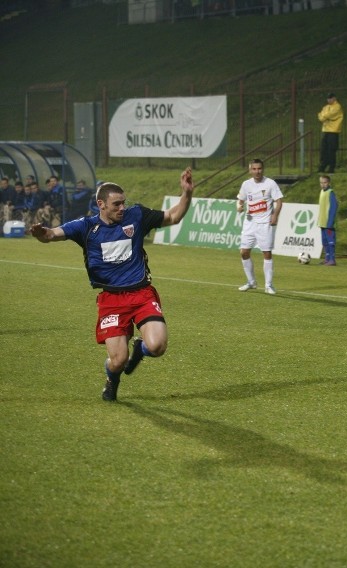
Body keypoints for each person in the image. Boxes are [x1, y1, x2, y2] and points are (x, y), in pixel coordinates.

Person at [30, 168, 195, 402]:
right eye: (116, 204)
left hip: (141, 293)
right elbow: (51, 234)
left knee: (157, 346)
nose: (122, 208)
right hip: (112, 301)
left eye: (123, 203)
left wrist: (186, 193)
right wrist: (40, 233)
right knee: (117, 360)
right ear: (101, 204)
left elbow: (173, 216)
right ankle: (112, 381)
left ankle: (142, 349)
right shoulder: (85, 227)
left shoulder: (136, 215)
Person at [236, 158, 283, 294]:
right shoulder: (246, 184)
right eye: (254, 169)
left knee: (267, 253)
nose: (257, 171)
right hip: (249, 223)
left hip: (265, 224)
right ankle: (251, 282)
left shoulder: (270, 183)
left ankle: (269, 285)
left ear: (263, 169)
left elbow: (279, 201)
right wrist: (239, 206)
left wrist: (275, 215)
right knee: (244, 252)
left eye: (259, 169)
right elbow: (240, 200)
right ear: (250, 170)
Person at [317, 92, 343, 174]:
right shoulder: (326, 107)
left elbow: (329, 115)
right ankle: (323, 166)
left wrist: (324, 117)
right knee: (323, 149)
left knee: (331, 150)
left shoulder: (337, 107)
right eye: (328, 98)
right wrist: (323, 117)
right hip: (325, 130)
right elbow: (320, 116)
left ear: (334, 98)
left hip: (333, 131)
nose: (329, 100)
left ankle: (331, 167)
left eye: (330, 98)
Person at [318, 174, 339, 265]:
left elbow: (334, 207)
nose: (323, 184)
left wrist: (330, 221)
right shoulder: (322, 192)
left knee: (331, 241)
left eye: (325, 182)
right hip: (322, 222)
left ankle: (332, 259)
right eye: (321, 183)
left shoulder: (331, 192)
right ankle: (327, 258)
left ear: (329, 183)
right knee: (324, 241)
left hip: (329, 223)